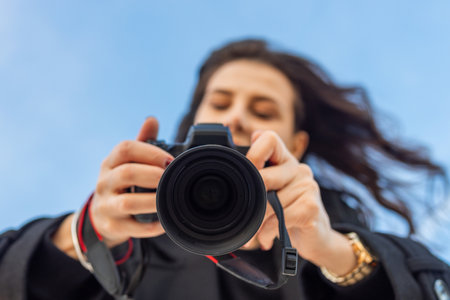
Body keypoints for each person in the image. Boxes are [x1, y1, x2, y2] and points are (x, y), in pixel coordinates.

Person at [1, 39, 449, 300]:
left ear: (296, 143)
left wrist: (333, 250)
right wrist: (84, 233)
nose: (236, 117)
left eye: (263, 108)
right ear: (192, 123)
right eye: (219, 103)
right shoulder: (128, 228)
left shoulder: (328, 228)